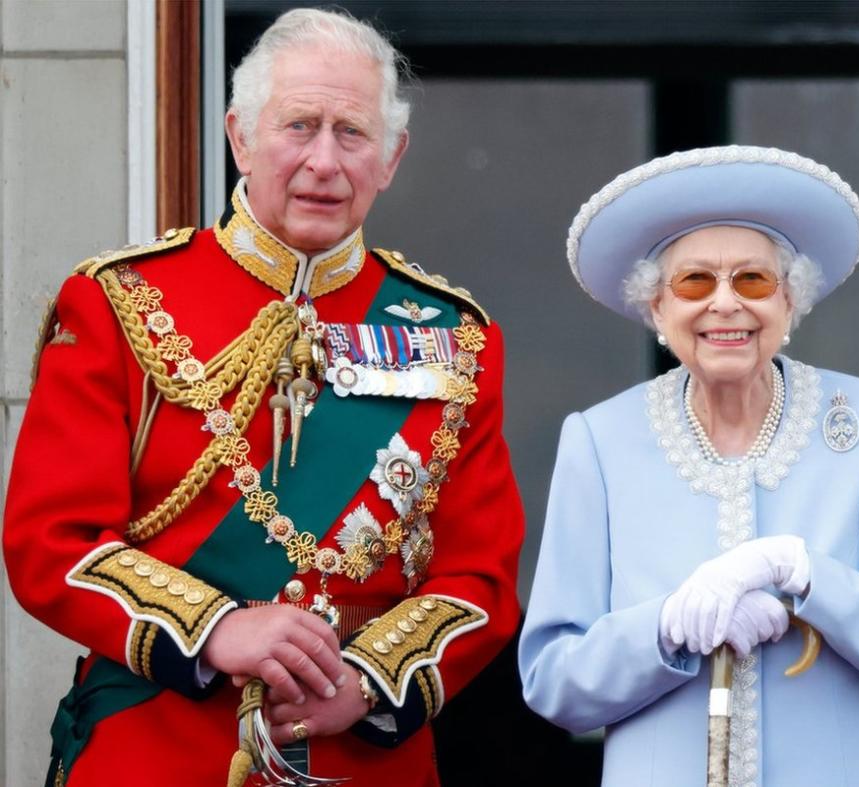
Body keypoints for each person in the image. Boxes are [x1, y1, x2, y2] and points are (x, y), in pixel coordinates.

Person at [3, 8, 523, 786]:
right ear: (239, 136)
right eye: (299, 125)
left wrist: (372, 681)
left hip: (364, 759)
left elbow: (480, 579)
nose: (324, 161)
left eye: (352, 133)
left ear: (391, 157)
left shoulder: (458, 338)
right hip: (156, 749)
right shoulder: (121, 301)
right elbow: (51, 540)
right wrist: (218, 629)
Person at [518, 145, 859, 786]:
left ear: (790, 303)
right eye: (695, 282)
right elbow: (554, 684)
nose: (725, 304)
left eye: (753, 280)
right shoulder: (599, 441)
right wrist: (666, 626)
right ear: (657, 311)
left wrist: (804, 573)